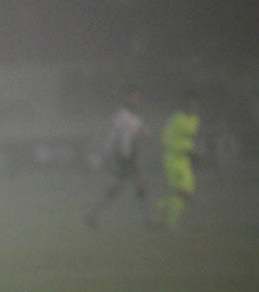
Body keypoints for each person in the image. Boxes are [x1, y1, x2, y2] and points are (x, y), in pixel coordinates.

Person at [85, 85, 153, 228]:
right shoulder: (121, 115)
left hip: (132, 155)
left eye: (138, 97)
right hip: (124, 156)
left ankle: (93, 216)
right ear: (127, 98)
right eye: (133, 97)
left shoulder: (136, 116)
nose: (136, 100)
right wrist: (104, 154)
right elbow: (113, 135)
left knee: (123, 187)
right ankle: (148, 220)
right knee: (133, 187)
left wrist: (145, 133)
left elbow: (143, 131)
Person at [156, 91, 201, 229]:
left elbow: (188, 138)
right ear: (184, 105)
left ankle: (160, 205)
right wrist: (170, 150)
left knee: (186, 194)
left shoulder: (195, 119)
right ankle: (170, 223)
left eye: (195, 105)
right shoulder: (175, 119)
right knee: (181, 193)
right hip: (173, 158)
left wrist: (192, 153)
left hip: (185, 160)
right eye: (190, 105)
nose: (192, 107)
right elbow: (164, 138)